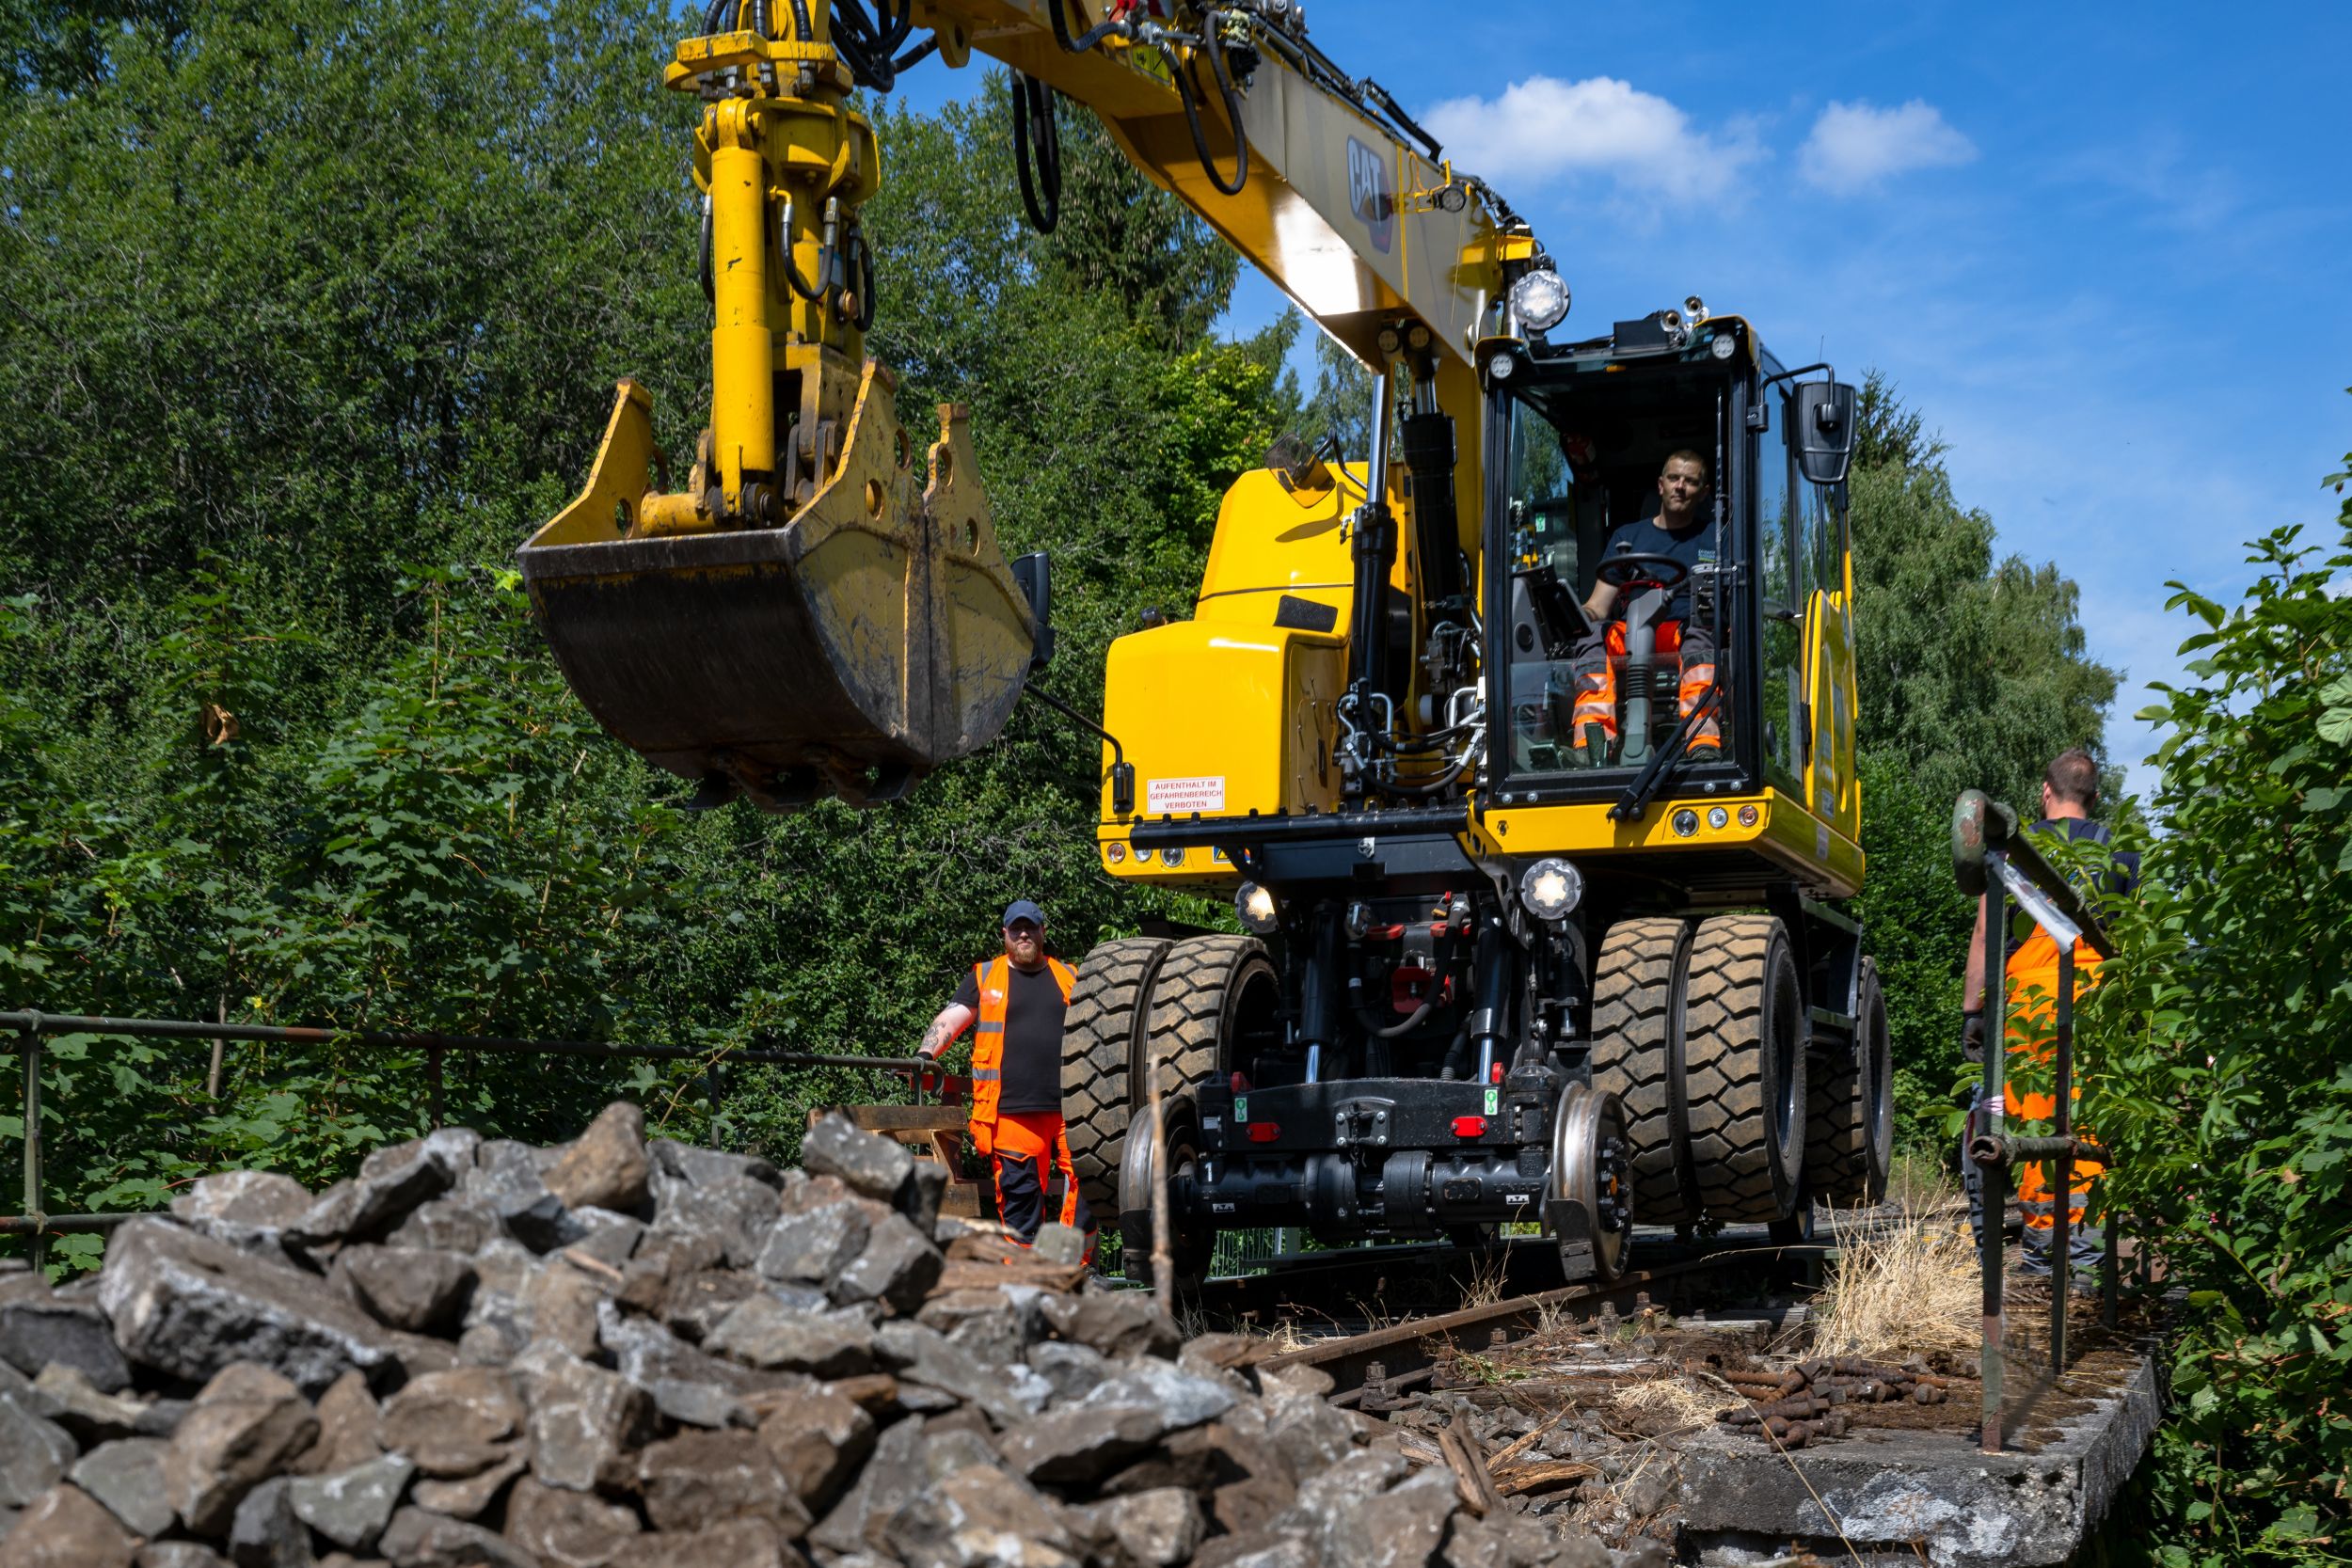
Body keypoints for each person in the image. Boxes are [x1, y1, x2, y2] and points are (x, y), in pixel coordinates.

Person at [1960, 748, 2138, 1284]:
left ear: (2045, 791)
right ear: (2095, 797)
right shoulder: (2123, 854)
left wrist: (1972, 1013)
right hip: (2096, 1008)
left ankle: (2040, 1259)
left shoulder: (2013, 849)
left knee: (2028, 1118)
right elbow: (2132, 942)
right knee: (2088, 1124)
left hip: (2027, 1012)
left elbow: (1986, 936)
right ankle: (2086, 1261)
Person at [917, 899, 1095, 1256]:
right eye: (1017, 928)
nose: (1024, 934)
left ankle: (1072, 1270)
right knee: (1020, 1202)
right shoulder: (985, 977)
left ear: (1043, 931)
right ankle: (1026, 1278)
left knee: (1092, 1180)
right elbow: (951, 1019)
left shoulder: (1070, 977)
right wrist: (924, 1056)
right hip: (1011, 1113)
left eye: (1031, 927)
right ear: (1005, 934)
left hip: (1072, 1109)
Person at [1568, 450, 1722, 764]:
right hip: (1631, 635)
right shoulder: (1628, 536)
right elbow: (1598, 605)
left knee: (1703, 638)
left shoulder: (1715, 538)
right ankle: (1591, 740)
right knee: (1593, 637)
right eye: (1674, 478)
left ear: (1704, 492)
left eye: (1691, 481)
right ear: (1660, 484)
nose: (1681, 486)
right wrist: (1578, 616)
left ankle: (1701, 739)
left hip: (1683, 631)